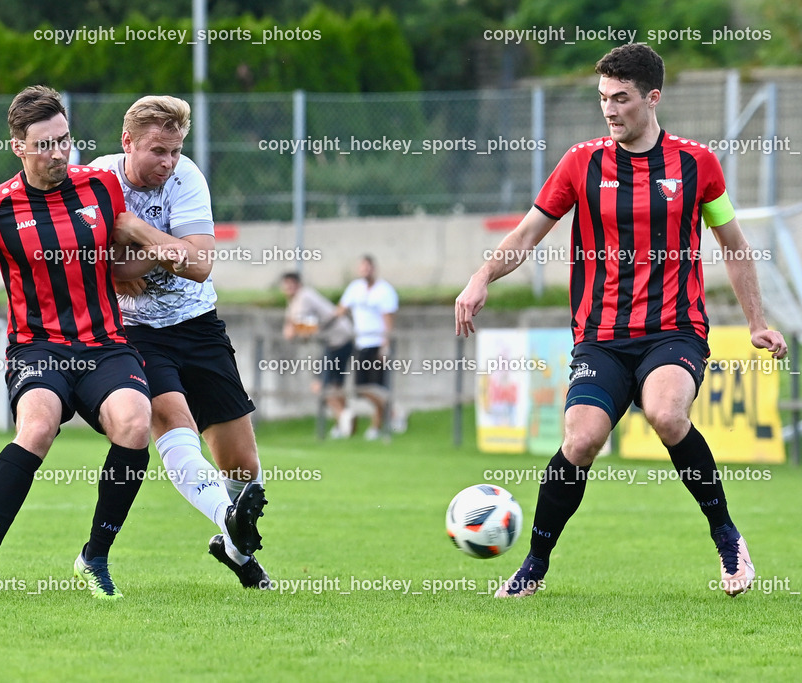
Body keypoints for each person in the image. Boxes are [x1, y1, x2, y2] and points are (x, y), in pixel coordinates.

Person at [0, 85, 262, 601]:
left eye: (64, 140)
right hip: (38, 348)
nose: (58, 152)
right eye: (45, 144)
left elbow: (130, 247)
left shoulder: (101, 187)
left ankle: (95, 559)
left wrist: (137, 260)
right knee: (37, 427)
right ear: (18, 146)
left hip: (106, 345)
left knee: (135, 425)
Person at [455, 43, 787, 598]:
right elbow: (528, 233)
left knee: (666, 414)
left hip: (674, 330)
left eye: (621, 98)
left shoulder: (696, 164)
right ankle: (534, 564)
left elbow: (734, 245)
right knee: (581, 439)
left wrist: (756, 321)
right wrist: (482, 275)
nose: (609, 109)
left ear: (652, 98)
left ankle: (727, 537)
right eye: (603, 98)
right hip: (601, 337)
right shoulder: (580, 162)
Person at [89, 95, 271, 589]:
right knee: (174, 422)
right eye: (157, 151)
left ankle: (234, 549)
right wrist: (167, 247)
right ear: (127, 142)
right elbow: (101, 266)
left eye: (174, 151)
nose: (168, 162)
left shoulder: (187, 177)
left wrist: (134, 231)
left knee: (243, 466)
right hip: (134, 332)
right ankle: (228, 526)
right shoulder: (98, 180)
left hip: (198, 324)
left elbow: (200, 265)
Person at [280, 271, 355, 438]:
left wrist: (294, 331)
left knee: (320, 386)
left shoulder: (303, 298)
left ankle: (344, 418)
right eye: (286, 285)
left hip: (337, 340)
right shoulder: (296, 300)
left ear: (298, 284)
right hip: (337, 340)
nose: (288, 288)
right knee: (335, 385)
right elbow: (292, 323)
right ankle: (343, 422)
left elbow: (303, 330)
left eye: (291, 285)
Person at [336, 255, 399, 440]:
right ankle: (393, 412)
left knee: (376, 388)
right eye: (362, 267)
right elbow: (340, 311)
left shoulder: (384, 290)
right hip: (360, 343)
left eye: (368, 267)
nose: (365, 271)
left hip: (377, 344)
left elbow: (388, 320)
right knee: (360, 388)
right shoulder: (355, 288)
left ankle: (376, 427)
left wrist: (385, 346)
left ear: (374, 269)